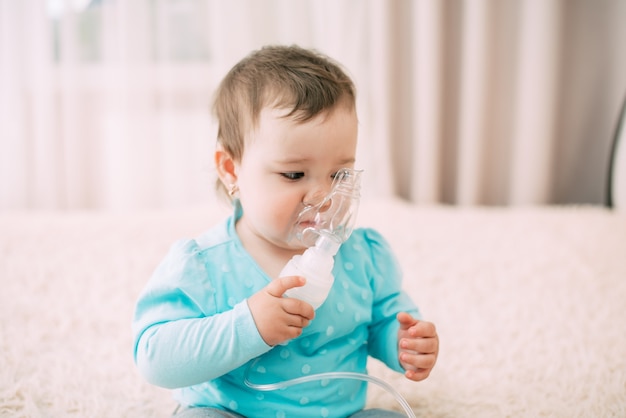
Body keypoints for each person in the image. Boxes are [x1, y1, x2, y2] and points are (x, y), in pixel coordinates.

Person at [132, 45, 439, 418]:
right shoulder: (203, 266)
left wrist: (403, 343)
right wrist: (248, 325)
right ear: (231, 170)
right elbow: (154, 356)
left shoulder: (365, 256)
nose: (323, 196)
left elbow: (385, 319)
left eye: (339, 175)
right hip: (231, 412)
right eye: (294, 175)